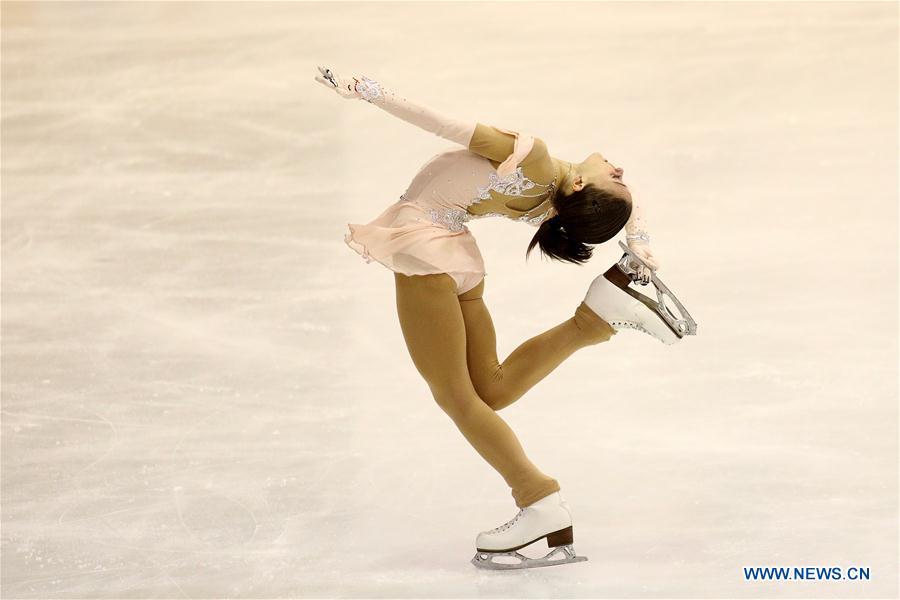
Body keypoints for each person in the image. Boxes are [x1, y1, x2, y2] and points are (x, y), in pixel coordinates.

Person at [314, 67, 695, 569]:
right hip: (458, 260)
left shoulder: (535, 160)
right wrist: (637, 239)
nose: (622, 171)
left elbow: (444, 125)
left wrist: (370, 93)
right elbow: (620, 200)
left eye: (615, 178)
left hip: (426, 253)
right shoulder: (555, 204)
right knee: (492, 390)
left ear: (580, 183)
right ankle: (595, 320)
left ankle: (537, 499)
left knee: (455, 397)